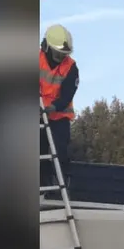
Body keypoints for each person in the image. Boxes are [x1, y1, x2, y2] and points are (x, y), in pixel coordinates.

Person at [39, 23, 79, 200]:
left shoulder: (71, 68)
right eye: (58, 54)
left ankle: (60, 186)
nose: (61, 58)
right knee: (38, 150)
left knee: (60, 151)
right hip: (38, 114)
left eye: (64, 55)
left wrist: (54, 107)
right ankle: (41, 183)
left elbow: (68, 92)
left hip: (59, 115)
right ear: (46, 47)